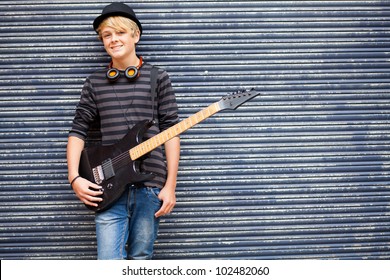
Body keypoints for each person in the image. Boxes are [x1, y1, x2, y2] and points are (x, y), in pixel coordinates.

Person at [66, 2, 180, 260]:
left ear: (135, 35)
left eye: (120, 32)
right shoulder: (94, 82)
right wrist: (75, 178)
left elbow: (171, 131)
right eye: (107, 35)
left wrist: (170, 185)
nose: (113, 39)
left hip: (150, 184)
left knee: (141, 260)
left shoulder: (157, 78)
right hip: (106, 184)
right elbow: (77, 131)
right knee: (108, 265)